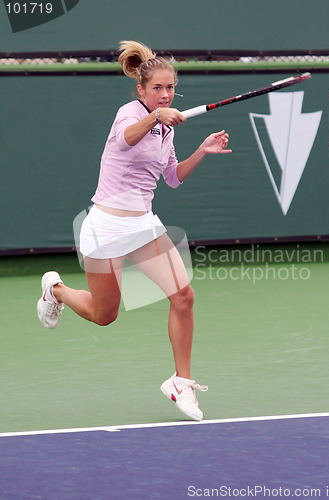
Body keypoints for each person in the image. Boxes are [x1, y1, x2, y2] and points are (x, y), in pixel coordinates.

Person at [37, 41, 231, 421]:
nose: (165, 94)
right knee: (103, 314)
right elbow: (128, 138)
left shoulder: (166, 129)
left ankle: (181, 381)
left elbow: (172, 178)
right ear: (141, 90)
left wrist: (202, 151)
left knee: (184, 296)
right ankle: (55, 288)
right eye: (157, 88)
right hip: (105, 226)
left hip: (143, 225)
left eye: (170, 88)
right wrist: (158, 116)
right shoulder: (129, 115)